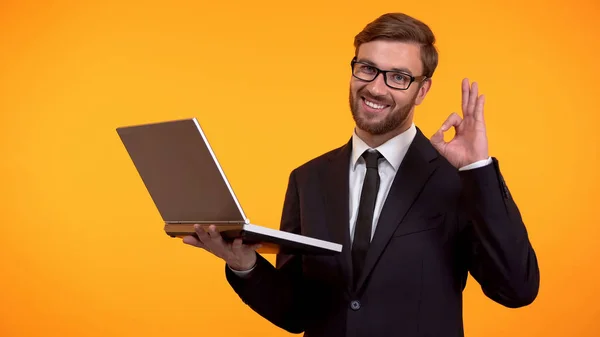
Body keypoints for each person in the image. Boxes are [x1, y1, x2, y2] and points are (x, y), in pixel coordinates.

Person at [182, 12, 540, 337]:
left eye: (398, 77)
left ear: (422, 90)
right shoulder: (308, 179)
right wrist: (244, 263)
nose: (376, 88)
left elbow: (517, 289)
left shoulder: (456, 178)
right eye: (367, 68)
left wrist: (478, 168)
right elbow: (296, 313)